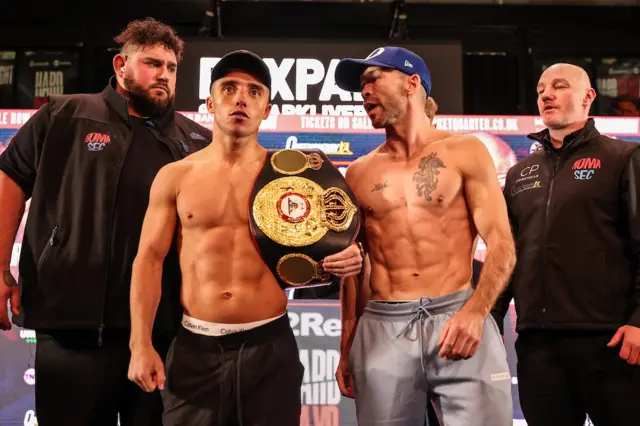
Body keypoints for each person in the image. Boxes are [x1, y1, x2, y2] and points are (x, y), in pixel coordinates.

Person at [126, 49, 364, 426]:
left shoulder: (296, 179)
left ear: (267, 110)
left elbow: (338, 245)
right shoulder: (176, 176)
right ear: (210, 102)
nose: (241, 99)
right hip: (195, 348)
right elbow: (148, 260)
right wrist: (140, 344)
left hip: (269, 347)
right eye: (229, 88)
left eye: (254, 92)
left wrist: (348, 259)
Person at [0, 18, 212, 426]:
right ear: (120, 65)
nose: (163, 76)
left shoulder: (196, 141)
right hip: (71, 327)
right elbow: (10, 179)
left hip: (164, 333)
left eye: (170, 68)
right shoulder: (64, 115)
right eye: (152, 64)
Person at [332, 46, 516, 426]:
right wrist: (347, 342)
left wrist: (476, 313)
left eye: (373, 79)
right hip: (383, 326)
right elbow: (356, 268)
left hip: (456, 316)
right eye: (360, 86)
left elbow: (502, 243)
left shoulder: (464, 151)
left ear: (412, 83)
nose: (364, 92)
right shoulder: (359, 173)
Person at [492, 63, 640, 426]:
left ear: (588, 97)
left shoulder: (622, 158)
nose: (546, 94)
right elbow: (507, 255)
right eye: (542, 89)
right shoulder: (518, 175)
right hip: (537, 346)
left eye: (559, 86)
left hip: (610, 341)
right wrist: (491, 320)